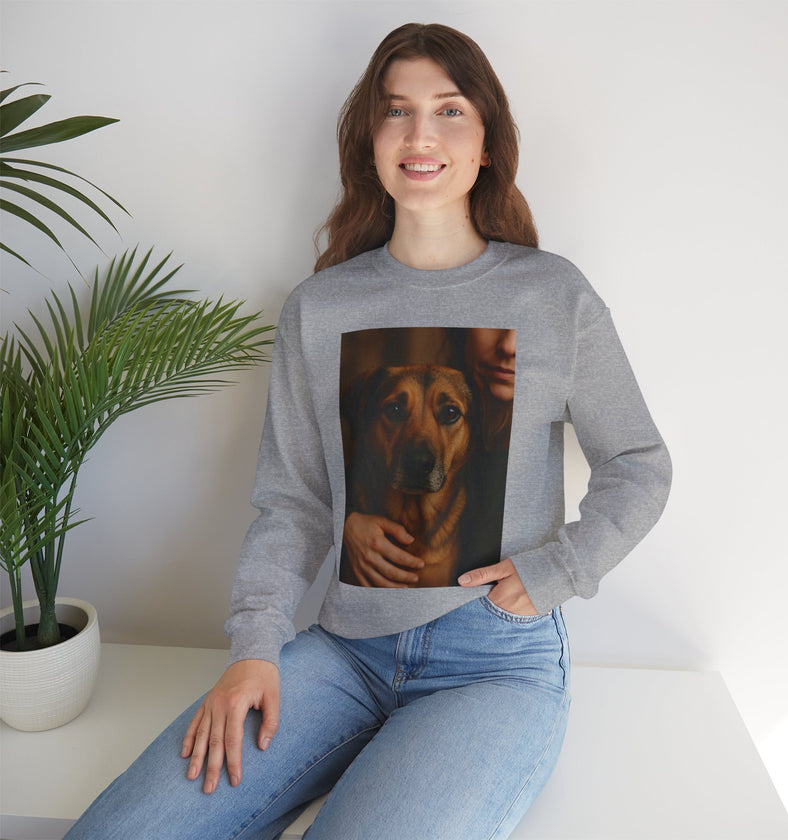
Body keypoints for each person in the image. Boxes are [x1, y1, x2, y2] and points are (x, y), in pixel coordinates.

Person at [65, 22, 671, 840]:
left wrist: (560, 568)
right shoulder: (321, 308)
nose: (421, 135)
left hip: (493, 661)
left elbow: (639, 462)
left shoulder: (551, 296)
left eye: (449, 111)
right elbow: (294, 502)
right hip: (343, 650)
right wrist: (254, 647)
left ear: (487, 141)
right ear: (371, 141)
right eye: (397, 112)